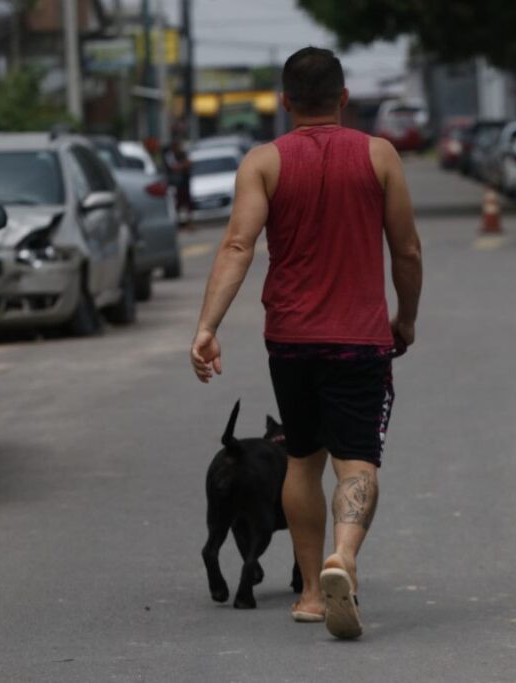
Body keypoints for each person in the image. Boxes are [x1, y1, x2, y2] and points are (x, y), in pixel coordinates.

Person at [189, 46, 423, 640]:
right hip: (360, 340)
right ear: (345, 98)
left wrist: (207, 327)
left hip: (289, 340)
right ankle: (342, 556)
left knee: (302, 459)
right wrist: (406, 319)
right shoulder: (379, 155)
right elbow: (407, 250)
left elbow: (238, 247)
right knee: (357, 462)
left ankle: (313, 595)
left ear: (285, 102)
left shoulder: (263, 162)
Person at [163, 134, 193, 229]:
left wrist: (182, 165)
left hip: (184, 182)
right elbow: (174, 167)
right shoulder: (169, 155)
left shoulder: (183, 153)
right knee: (177, 204)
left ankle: (188, 223)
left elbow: (189, 163)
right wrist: (183, 165)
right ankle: (179, 225)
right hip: (175, 184)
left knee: (187, 204)